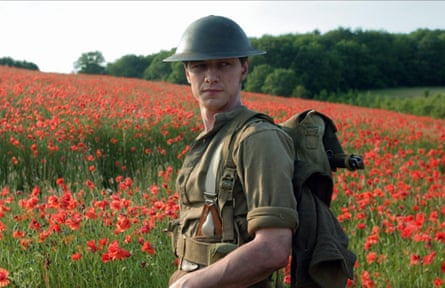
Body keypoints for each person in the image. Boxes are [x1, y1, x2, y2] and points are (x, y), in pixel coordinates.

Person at [164, 15, 298, 288]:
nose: (211, 77)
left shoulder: (257, 139)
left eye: (223, 65)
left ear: (243, 68)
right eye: (200, 67)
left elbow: (273, 248)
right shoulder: (210, 139)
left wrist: (191, 285)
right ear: (187, 73)